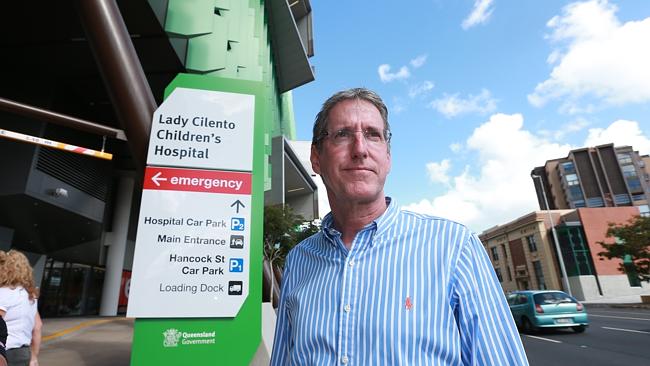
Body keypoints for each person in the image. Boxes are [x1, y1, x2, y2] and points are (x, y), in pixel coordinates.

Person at [270, 88, 529, 365]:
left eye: (373, 134)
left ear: (388, 158)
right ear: (316, 158)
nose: (360, 150)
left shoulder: (454, 247)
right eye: (343, 134)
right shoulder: (299, 260)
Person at [0, 250, 42, 366]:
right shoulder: (30, 295)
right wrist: (34, 357)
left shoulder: (4, 293)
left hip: (5, 353)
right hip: (23, 353)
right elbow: (37, 327)